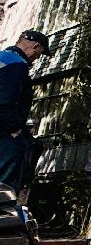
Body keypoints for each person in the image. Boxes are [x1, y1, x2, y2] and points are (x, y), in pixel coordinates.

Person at [0, 30, 49, 195]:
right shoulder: (17, 64)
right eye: (38, 55)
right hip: (4, 128)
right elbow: (5, 100)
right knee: (20, 149)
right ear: (35, 47)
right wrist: (14, 128)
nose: (35, 59)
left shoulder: (2, 56)